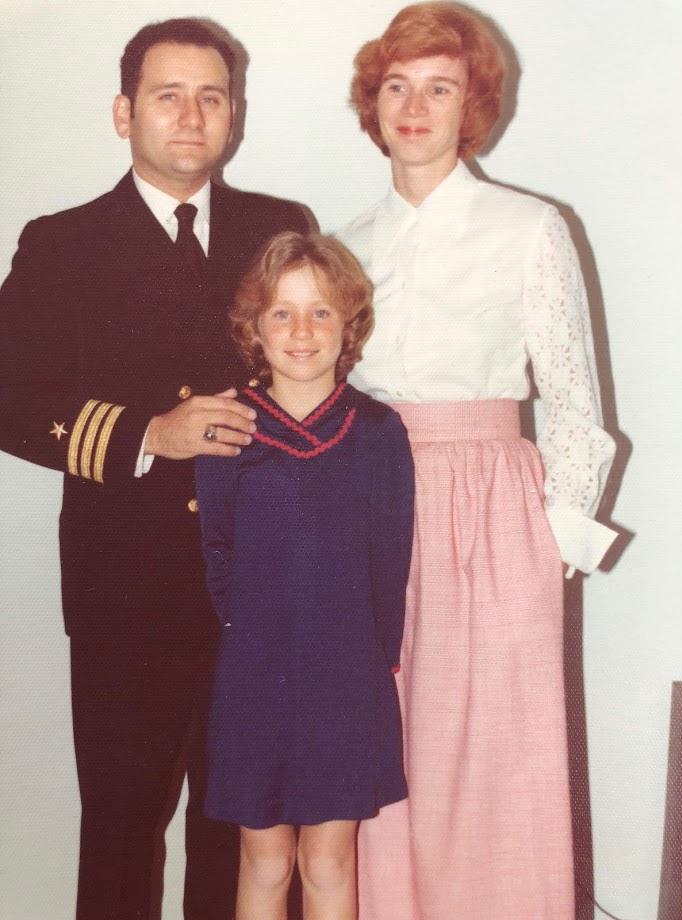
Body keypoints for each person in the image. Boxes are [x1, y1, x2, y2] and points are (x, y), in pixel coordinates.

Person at [0, 17, 308, 920]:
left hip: (257, 585)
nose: (192, 116)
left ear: (234, 116)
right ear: (123, 112)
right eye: (168, 95)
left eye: (212, 97)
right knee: (122, 832)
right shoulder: (63, 242)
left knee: (240, 832)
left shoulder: (278, 229)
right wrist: (149, 434)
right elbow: (9, 398)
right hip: (124, 590)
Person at [338, 3, 618, 918]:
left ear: (473, 106)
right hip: (374, 503)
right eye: (397, 86)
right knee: (387, 744)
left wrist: (552, 546)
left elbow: (573, 399)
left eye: (440, 88)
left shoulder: (529, 227)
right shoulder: (345, 245)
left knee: (500, 752)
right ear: (373, 103)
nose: (415, 108)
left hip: (495, 513)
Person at [195, 231, 415, 920]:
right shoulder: (228, 427)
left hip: (345, 677)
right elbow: (217, 554)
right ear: (255, 328)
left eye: (321, 312)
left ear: (349, 325)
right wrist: (255, 639)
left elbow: (391, 562)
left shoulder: (378, 432)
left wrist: (373, 660)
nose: (301, 331)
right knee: (265, 859)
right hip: (254, 674)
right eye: (282, 313)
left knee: (328, 860)